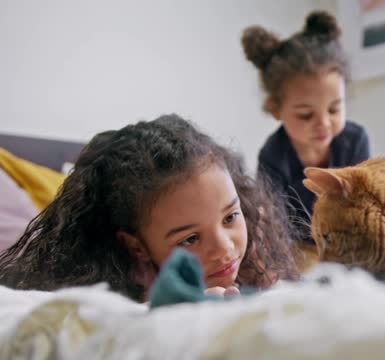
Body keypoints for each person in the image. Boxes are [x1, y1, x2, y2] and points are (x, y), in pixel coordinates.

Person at [0, 114, 299, 302]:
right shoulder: (112, 304)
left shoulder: (256, 259)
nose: (224, 248)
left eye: (230, 217)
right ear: (137, 247)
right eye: (190, 239)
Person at [242, 11, 371, 244]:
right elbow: (274, 222)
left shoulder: (356, 139)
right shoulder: (273, 155)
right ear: (276, 109)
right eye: (306, 115)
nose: (323, 123)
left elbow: (367, 202)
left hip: (352, 237)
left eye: (334, 109)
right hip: (301, 245)